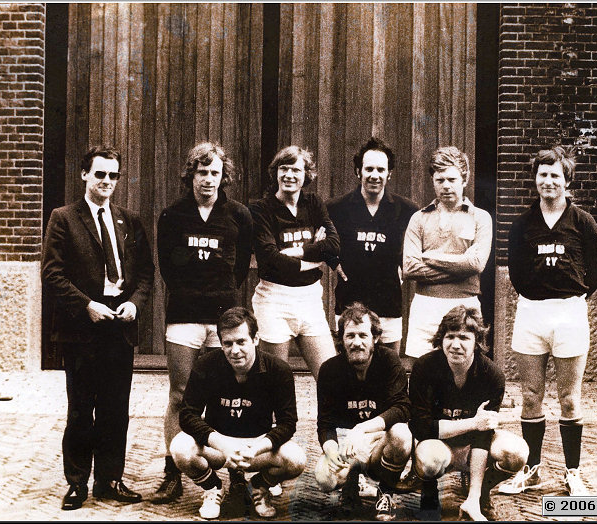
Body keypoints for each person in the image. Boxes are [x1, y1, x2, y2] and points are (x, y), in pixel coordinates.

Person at [42, 145, 154, 510]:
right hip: (82, 324)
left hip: (119, 323)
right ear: (84, 175)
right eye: (100, 174)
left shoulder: (128, 220)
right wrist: (86, 305)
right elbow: (52, 273)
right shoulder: (64, 217)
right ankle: (77, 483)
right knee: (80, 408)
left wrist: (135, 304)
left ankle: (110, 480)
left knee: (115, 407)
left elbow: (144, 275)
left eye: (113, 175)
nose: (107, 181)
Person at [150, 142, 253, 504]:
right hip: (184, 317)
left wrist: (220, 297)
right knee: (179, 394)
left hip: (223, 319)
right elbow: (167, 266)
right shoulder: (173, 215)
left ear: (224, 177)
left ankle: (237, 475)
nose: (208, 179)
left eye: (215, 173)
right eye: (202, 172)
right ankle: (171, 471)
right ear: (190, 174)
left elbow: (239, 270)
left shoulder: (238, 215)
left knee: (228, 396)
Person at [499, 145, 597, 497]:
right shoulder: (522, 225)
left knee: (570, 399)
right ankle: (532, 469)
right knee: (530, 396)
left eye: (554, 175)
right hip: (531, 311)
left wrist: (570, 298)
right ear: (535, 179)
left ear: (567, 180)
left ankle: (572, 472)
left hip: (570, 312)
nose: (548, 180)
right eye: (542, 174)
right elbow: (515, 273)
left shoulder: (582, 222)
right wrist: (538, 296)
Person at [171, 307, 306, 519]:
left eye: (241, 342)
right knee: (180, 447)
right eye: (228, 343)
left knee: (296, 459)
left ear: (256, 339)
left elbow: (288, 423)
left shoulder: (278, 369)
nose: (234, 350)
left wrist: (257, 448)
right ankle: (213, 488)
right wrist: (222, 444)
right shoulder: (206, 365)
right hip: (220, 445)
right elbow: (187, 415)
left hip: (257, 446)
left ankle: (259, 488)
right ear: (221, 343)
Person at [409, 306, 528, 521]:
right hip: (437, 443)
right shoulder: (424, 367)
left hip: (472, 446)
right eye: (450, 336)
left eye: (464, 337)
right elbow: (421, 427)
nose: (455, 345)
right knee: (429, 458)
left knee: (516, 452)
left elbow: (484, 435)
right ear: (441, 339)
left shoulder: (491, 374)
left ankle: (479, 495)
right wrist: (473, 422)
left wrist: (473, 496)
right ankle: (429, 494)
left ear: (477, 342)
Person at [315, 303, 412, 522]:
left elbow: (402, 408)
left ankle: (385, 492)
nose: (356, 342)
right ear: (342, 339)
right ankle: (351, 484)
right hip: (348, 444)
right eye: (350, 336)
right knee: (323, 478)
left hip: (378, 441)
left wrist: (362, 429)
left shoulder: (388, 361)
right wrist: (330, 450)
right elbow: (325, 423)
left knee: (402, 435)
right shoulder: (330, 369)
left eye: (362, 335)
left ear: (375, 338)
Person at [249, 145, 340, 379]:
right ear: (275, 172)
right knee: (274, 380)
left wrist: (296, 251)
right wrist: (313, 258)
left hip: (309, 299)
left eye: (296, 170)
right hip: (274, 299)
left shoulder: (313, 203)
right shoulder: (261, 208)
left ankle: (327, 418)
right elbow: (270, 257)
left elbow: (333, 245)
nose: (289, 175)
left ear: (306, 174)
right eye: (284, 168)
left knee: (329, 375)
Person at [326, 137, 419, 357]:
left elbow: (419, 244)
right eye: (368, 169)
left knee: (388, 370)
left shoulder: (407, 210)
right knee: (348, 370)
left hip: (388, 302)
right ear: (358, 171)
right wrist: (333, 262)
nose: (374, 175)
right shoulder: (336, 208)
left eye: (380, 169)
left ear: (389, 173)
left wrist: (406, 266)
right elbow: (320, 240)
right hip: (349, 302)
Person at [402, 146, 492, 361]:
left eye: (452, 179)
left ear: (464, 179)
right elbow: (410, 267)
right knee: (421, 372)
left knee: (465, 371)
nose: (446, 186)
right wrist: (462, 268)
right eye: (439, 180)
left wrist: (428, 257)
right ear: (433, 181)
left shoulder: (480, 217)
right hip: (426, 305)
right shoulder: (419, 218)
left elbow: (477, 264)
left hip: (466, 305)